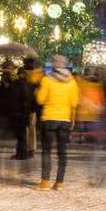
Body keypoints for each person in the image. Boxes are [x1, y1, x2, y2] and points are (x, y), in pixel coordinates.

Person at [35, 54, 80, 191]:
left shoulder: (47, 80)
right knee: (62, 152)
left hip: (49, 118)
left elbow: (40, 100)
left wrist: (37, 91)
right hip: (64, 120)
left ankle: (45, 182)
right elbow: (74, 102)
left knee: (47, 151)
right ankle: (59, 182)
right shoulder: (71, 82)